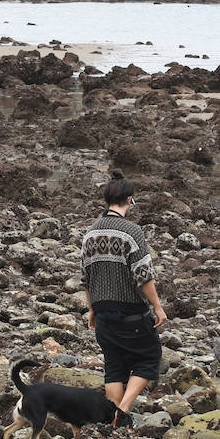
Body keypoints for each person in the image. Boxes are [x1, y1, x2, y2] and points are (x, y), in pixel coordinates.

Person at [80, 170, 167, 425]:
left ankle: (112, 420)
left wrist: (91, 309)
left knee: (114, 366)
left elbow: (86, 277)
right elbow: (144, 275)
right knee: (150, 358)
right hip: (132, 313)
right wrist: (158, 307)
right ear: (130, 200)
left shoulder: (90, 234)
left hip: (103, 314)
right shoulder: (132, 232)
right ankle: (123, 411)